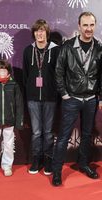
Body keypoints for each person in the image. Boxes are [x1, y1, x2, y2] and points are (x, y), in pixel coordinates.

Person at [52, 12, 102, 186]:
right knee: (64, 136)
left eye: (91, 25)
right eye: (85, 25)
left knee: (87, 135)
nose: (88, 29)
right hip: (71, 98)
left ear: (95, 26)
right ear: (79, 26)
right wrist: (64, 94)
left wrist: (100, 98)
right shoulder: (67, 47)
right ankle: (56, 172)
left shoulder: (99, 48)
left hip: (91, 99)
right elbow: (58, 72)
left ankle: (83, 164)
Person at [23, 19, 59, 175]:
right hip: (33, 97)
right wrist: (31, 89)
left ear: (47, 33)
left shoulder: (56, 50)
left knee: (48, 132)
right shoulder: (28, 51)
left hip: (50, 97)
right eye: (37, 31)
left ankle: (49, 159)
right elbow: (25, 75)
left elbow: (60, 74)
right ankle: (36, 159)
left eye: (42, 30)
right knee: (36, 132)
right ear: (34, 33)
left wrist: (55, 91)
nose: (39, 33)